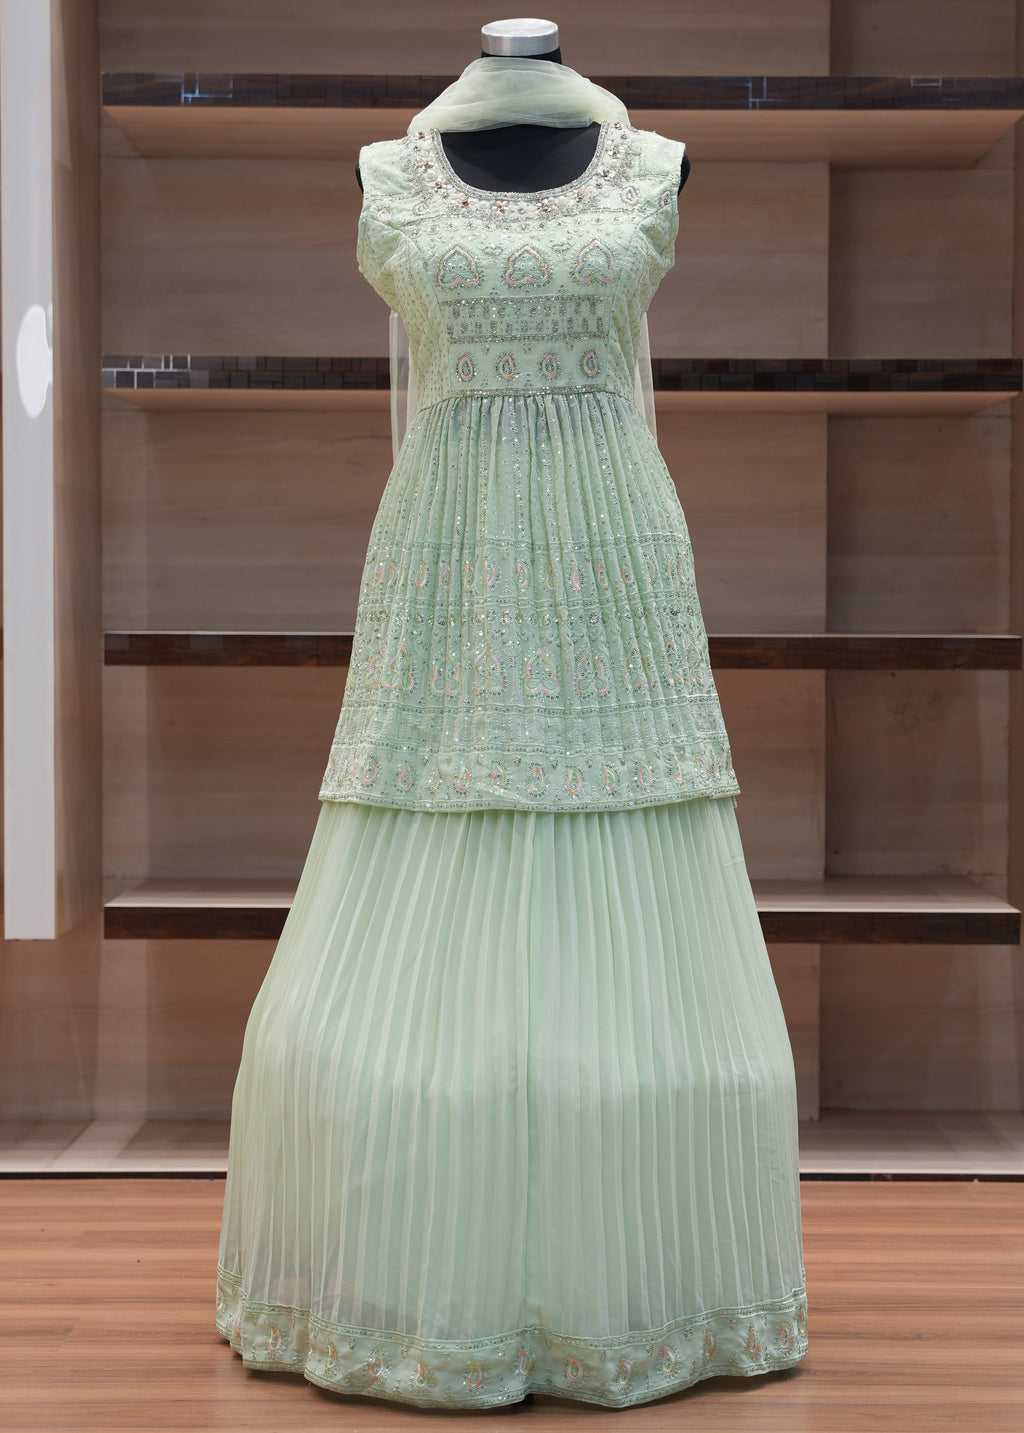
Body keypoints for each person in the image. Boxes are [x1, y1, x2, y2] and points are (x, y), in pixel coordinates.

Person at [215, 22, 809, 1410]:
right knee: (438, 793)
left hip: (609, 538)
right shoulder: (392, 173)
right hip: (449, 540)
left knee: (620, 807)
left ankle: (637, 1293)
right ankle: (432, 1283)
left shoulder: (651, 164)